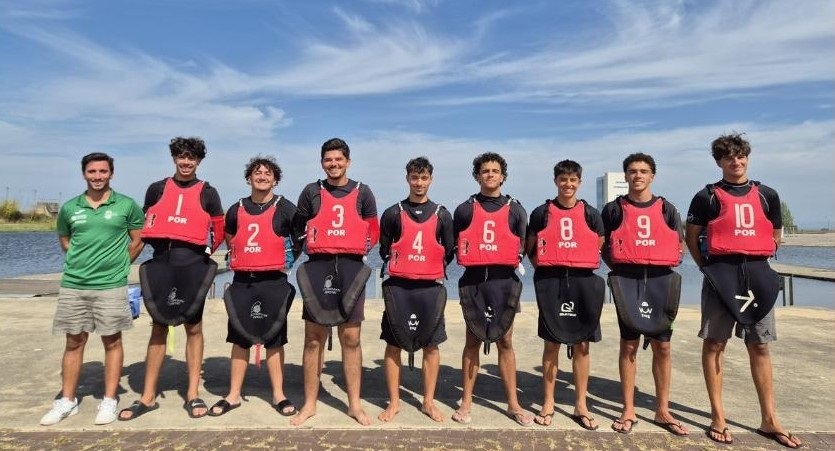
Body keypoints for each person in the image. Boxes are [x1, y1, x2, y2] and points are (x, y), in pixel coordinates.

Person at [685, 133, 802, 448]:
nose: (735, 162)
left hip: (757, 274)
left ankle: (769, 418)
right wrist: (707, 268)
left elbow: (775, 233)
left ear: (747, 158)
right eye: (728, 157)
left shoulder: (767, 195)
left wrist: (757, 260)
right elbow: (691, 236)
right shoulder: (706, 197)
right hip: (720, 275)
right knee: (714, 343)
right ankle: (718, 416)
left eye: (740, 156)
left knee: (760, 345)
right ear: (719, 162)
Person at [119, 137, 224, 421]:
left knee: (194, 328)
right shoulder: (157, 189)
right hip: (162, 262)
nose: (186, 162)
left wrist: (206, 254)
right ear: (174, 158)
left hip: (192, 264)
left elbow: (218, 229)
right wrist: (123, 261)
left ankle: (193, 393)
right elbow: (142, 226)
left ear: (198, 161)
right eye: (181, 156)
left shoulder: (208, 192)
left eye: (191, 157)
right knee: (158, 327)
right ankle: (147, 396)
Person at [40, 152, 145, 426]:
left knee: (112, 340)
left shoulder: (126, 205)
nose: (97, 176)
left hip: (111, 285)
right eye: (92, 172)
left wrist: (121, 265)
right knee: (74, 341)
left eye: (102, 171)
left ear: (111, 173)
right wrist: (82, 261)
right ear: (84, 174)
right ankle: (67, 400)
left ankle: (109, 400)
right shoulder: (69, 208)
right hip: (74, 284)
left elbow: (138, 239)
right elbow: (66, 241)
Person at [291, 138, 379, 426]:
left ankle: (354, 404)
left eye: (339, 159)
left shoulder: (363, 192)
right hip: (319, 267)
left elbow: (373, 230)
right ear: (322, 163)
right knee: (313, 338)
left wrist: (354, 247)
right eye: (328, 160)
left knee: (351, 338)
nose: (334, 164)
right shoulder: (311, 191)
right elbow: (298, 228)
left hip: (351, 268)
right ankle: (310, 404)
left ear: (348, 162)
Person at [601, 153, 689, 436]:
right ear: (626, 175)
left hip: (661, 281)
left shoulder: (667, 209)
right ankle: (628, 409)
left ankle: (662, 409)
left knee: (663, 346)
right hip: (627, 281)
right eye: (632, 171)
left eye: (643, 171)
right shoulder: (613, 209)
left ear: (652, 176)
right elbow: (604, 246)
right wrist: (622, 267)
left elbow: (679, 244)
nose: (637, 175)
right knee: (628, 345)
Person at [207, 156, 299, 418]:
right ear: (249, 178)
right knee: (240, 337)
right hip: (243, 281)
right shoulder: (236, 209)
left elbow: (299, 237)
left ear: (275, 180)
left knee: (275, 339)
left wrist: (286, 260)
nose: (262, 177)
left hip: (274, 281)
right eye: (257, 173)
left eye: (268, 173)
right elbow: (230, 234)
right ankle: (233, 394)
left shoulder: (286, 208)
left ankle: (278, 394)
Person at [451, 152, 533, 427]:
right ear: (477, 176)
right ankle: (466, 402)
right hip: (474, 281)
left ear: (502, 176)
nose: (490, 175)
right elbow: (455, 242)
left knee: (505, 341)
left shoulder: (515, 209)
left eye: (495, 171)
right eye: (485, 171)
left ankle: (513, 403)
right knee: (472, 340)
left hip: (504, 281)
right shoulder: (464, 209)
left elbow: (523, 244)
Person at [525, 160, 605, 430]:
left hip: (583, 282)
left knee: (583, 345)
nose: (568, 184)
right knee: (551, 344)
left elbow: (598, 244)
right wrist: (546, 269)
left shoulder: (591, 213)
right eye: (563, 179)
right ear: (555, 181)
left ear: (579, 182)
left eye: (572, 180)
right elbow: (531, 248)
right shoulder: (541, 212)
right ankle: (548, 402)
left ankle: (581, 404)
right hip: (552, 282)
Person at [377, 157, 455, 423]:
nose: (419, 183)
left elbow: (449, 251)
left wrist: (426, 266)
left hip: (430, 288)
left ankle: (428, 402)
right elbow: (384, 249)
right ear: (407, 179)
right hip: (399, 288)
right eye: (414, 177)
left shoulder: (442, 214)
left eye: (423, 178)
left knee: (431, 346)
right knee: (393, 345)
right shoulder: (392, 213)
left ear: (431, 179)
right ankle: (394, 402)